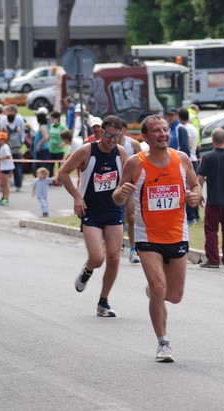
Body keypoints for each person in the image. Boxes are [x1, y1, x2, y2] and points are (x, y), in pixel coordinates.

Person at [112, 114, 201, 363]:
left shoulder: (181, 159)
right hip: (146, 235)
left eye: (165, 130)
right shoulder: (134, 163)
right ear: (146, 137)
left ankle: (152, 290)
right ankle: (163, 344)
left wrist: (195, 195)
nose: (162, 134)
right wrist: (122, 193)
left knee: (174, 296)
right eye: (156, 131)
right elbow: (116, 197)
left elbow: (195, 186)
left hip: (176, 234)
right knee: (160, 288)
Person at [58, 115, 128, 318]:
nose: (112, 140)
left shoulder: (121, 153)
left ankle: (103, 302)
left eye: (116, 136)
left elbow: (127, 180)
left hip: (114, 210)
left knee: (114, 258)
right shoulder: (87, 151)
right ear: (101, 131)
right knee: (98, 258)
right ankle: (87, 271)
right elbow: (63, 173)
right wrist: (77, 196)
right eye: (108, 135)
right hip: (91, 211)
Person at [197, 128, 224, 269]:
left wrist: (199, 194)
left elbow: (200, 178)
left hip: (213, 200)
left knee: (211, 230)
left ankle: (213, 259)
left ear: (212, 140)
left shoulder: (208, 157)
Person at [118, 119, 142, 263]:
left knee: (132, 218)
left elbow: (143, 162)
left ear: (125, 130)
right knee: (118, 218)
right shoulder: (111, 144)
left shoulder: (133, 144)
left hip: (131, 185)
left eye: (120, 129)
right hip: (116, 186)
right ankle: (117, 245)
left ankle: (133, 250)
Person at [178, 107, 200, 224]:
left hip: (189, 159)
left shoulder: (185, 129)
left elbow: (189, 144)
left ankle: (192, 216)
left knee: (188, 189)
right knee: (192, 188)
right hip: (193, 158)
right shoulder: (191, 127)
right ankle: (195, 215)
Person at [0, 131, 15, 206]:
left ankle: (6, 198)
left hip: (6, 167)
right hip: (3, 166)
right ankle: (3, 197)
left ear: (4, 140)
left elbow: (7, 156)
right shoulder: (2, 147)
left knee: (5, 183)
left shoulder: (5, 147)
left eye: (0, 139)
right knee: (3, 183)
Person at [48, 111, 66, 176]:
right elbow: (50, 136)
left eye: (53, 119)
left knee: (60, 166)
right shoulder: (51, 126)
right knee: (50, 166)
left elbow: (67, 138)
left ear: (57, 118)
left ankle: (60, 179)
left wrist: (62, 144)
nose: (52, 120)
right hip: (52, 149)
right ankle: (50, 179)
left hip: (59, 150)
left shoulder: (62, 127)